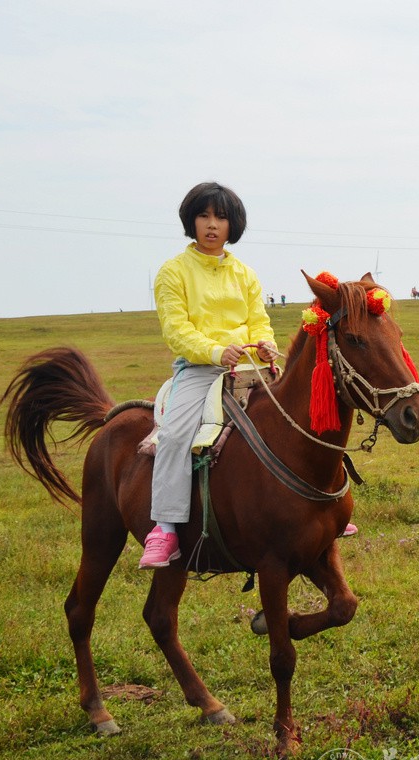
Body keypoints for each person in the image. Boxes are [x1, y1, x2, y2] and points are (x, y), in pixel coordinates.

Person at [139, 182, 277, 568]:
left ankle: (317, 503)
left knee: (295, 416)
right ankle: (164, 529)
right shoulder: (173, 272)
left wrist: (265, 344)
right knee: (176, 433)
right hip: (199, 369)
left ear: (234, 225)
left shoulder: (245, 274)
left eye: (221, 217)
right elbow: (176, 330)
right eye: (204, 215)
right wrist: (216, 351)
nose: (212, 225)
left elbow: (258, 321)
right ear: (191, 221)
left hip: (249, 367)